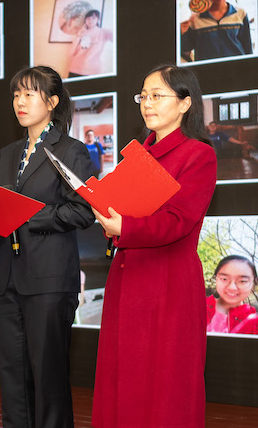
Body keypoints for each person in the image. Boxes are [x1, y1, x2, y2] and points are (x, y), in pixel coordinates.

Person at [0, 65, 95, 428]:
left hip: (50, 281)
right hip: (7, 281)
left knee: (48, 377)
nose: (20, 101)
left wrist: (26, 215)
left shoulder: (71, 150)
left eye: (29, 94)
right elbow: (0, 214)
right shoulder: (7, 154)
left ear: (52, 102)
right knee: (12, 377)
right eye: (16, 94)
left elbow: (83, 211)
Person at [92, 64, 217, 428]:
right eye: (143, 96)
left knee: (165, 384)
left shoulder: (198, 154)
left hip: (168, 283)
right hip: (126, 278)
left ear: (185, 103)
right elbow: (122, 213)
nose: (147, 103)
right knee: (121, 379)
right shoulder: (137, 157)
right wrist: (108, 218)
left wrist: (125, 226)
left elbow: (179, 220)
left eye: (157, 95)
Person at [180, 0, 252, 62]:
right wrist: (180, 33)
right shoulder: (195, 19)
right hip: (208, 67)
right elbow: (186, 49)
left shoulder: (240, 13)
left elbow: (247, 46)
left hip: (237, 65)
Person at [206, 255, 258, 335]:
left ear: (254, 284)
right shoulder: (195, 307)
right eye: (224, 279)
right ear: (215, 279)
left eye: (242, 281)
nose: (232, 287)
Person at [67, 10, 113, 78]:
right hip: (75, 69)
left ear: (98, 19)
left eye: (93, 18)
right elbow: (71, 53)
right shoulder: (81, 33)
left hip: (94, 71)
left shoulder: (103, 32)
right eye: (88, 18)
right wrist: (78, 36)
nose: (90, 20)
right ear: (85, 20)